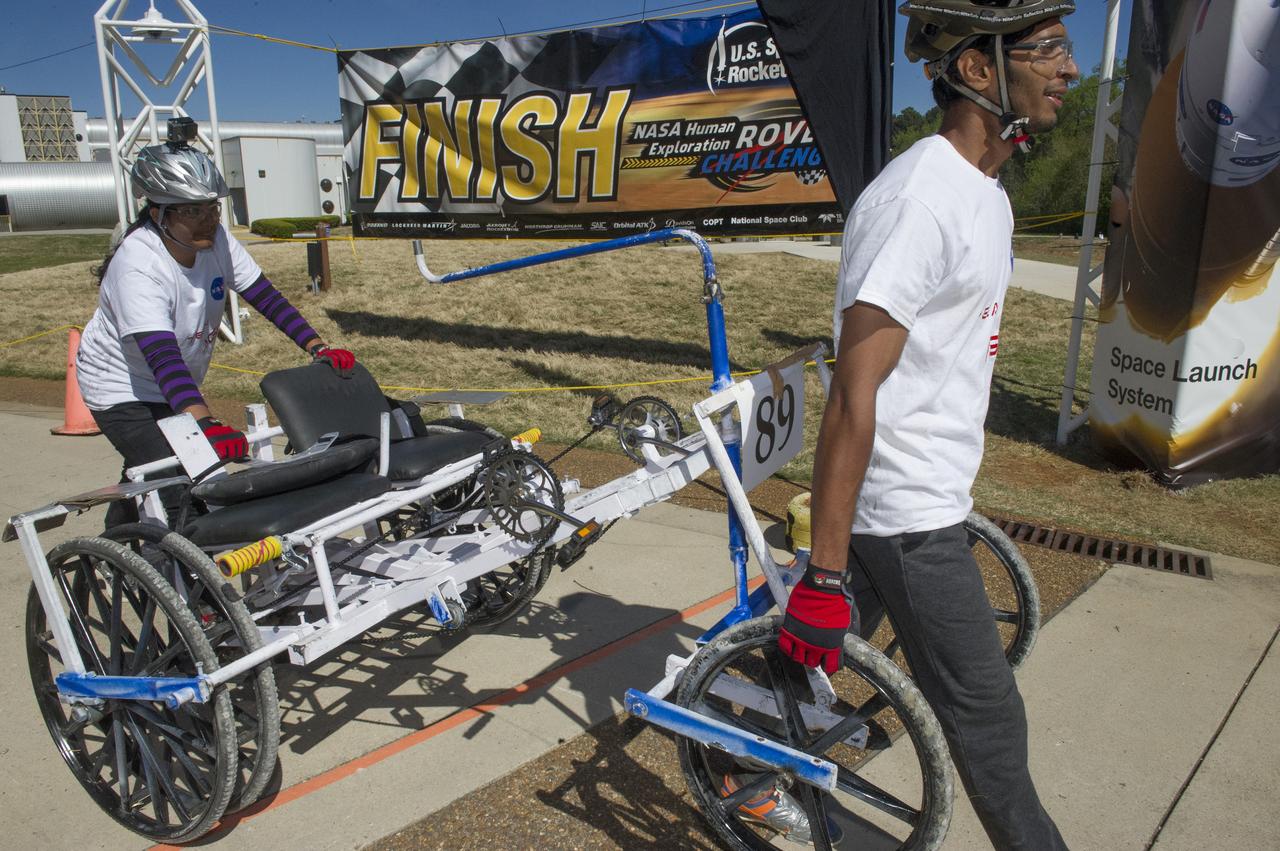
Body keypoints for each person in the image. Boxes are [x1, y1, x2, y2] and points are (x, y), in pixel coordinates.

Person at [777, 1, 1079, 848]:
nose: (1070, 67)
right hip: (906, 513)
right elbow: (852, 391)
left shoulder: (985, 192)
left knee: (802, 670)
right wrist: (825, 574)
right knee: (989, 722)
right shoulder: (918, 199)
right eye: (1048, 49)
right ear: (979, 71)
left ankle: (741, 762)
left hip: (919, 495)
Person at [78, 118, 356, 528]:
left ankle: (118, 538)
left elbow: (265, 296)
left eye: (213, 207)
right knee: (179, 483)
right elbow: (162, 356)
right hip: (124, 387)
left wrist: (317, 346)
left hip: (174, 381)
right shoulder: (138, 265)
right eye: (193, 211)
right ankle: (173, 580)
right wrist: (204, 422)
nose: (208, 219)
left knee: (154, 470)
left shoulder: (216, 240)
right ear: (158, 212)